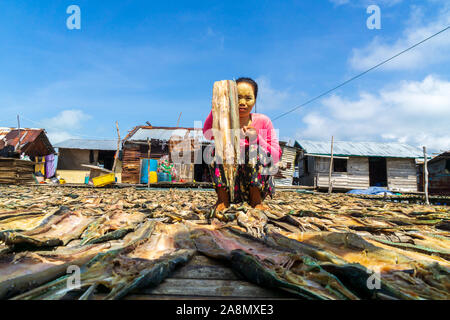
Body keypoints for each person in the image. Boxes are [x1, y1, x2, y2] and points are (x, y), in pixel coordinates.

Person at [203, 77, 282, 212]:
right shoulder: (224, 120)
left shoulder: (263, 121)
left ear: (255, 100)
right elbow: (207, 134)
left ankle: (256, 201)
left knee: (253, 149)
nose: (242, 102)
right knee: (215, 149)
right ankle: (222, 200)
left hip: (255, 185)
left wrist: (256, 139)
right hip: (231, 186)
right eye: (237, 97)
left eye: (248, 98)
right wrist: (217, 106)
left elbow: (275, 156)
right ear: (230, 98)